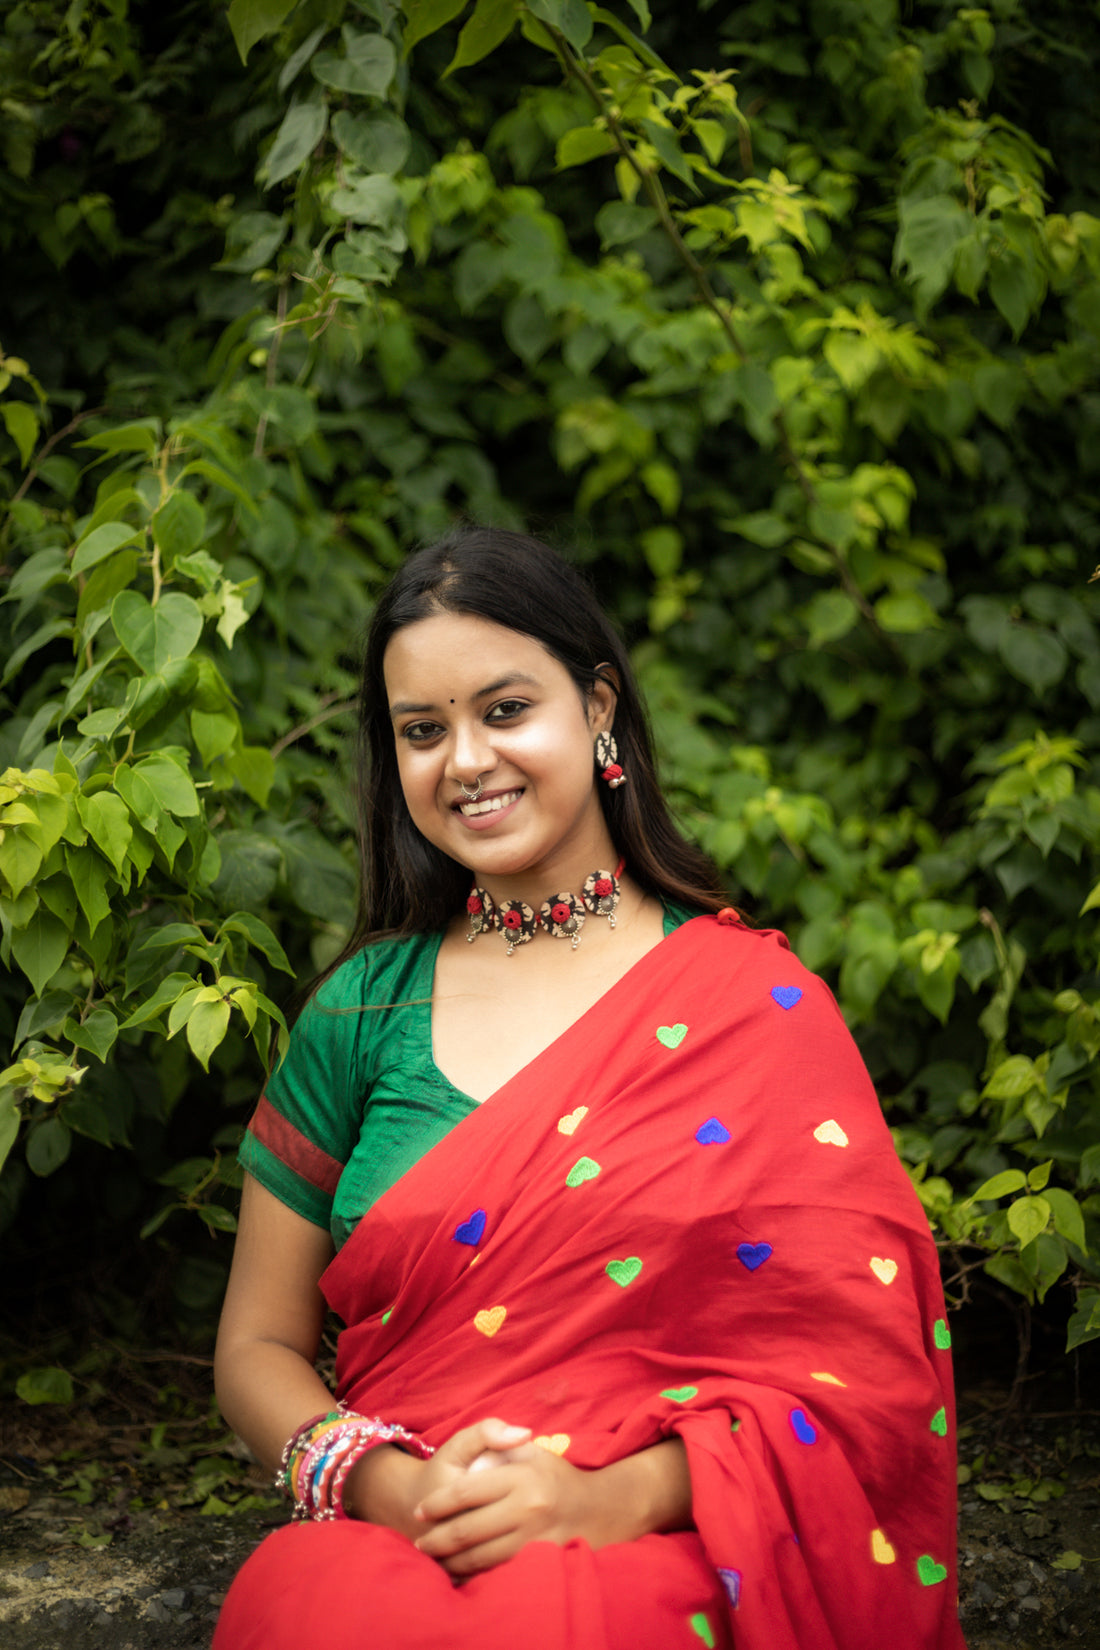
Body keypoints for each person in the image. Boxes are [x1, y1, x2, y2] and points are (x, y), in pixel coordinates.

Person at [213, 528, 967, 1650]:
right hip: (397, 1524)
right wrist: (382, 1484)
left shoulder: (752, 1008)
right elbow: (256, 1347)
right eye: (422, 731)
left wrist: (603, 1499)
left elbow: (855, 1380)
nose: (464, 761)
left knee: (568, 1617)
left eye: (504, 710)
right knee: (316, 1607)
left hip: (661, 1535)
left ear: (597, 705)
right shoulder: (363, 1012)